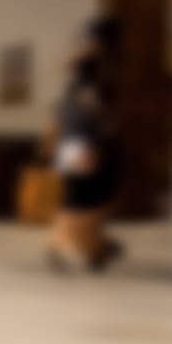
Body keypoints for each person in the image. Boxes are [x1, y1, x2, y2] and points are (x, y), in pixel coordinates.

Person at [43, 17, 124, 273]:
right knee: (82, 197)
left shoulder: (91, 73)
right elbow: (83, 111)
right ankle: (66, 245)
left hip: (82, 139)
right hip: (81, 139)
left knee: (84, 195)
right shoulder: (88, 74)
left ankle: (86, 246)